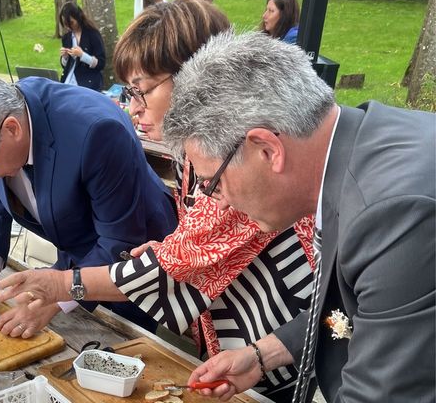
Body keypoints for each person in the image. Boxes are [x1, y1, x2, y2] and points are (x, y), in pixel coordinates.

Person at [0, 0, 317, 402]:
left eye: (141, 90)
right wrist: (170, 249)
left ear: (195, 76)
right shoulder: (194, 153)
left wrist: (64, 282)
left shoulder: (239, 159)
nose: (133, 108)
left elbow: (181, 262)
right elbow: (193, 248)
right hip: (241, 345)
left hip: (283, 346)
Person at [156, 31, 435, 402]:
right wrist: (261, 356)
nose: (218, 204)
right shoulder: (355, 144)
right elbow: (356, 310)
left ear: (268, 149)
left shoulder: (392, 215)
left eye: (214, 183)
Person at [0, 67, 177, 336]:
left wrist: (58, 296)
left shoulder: (97, 132)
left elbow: (120, 242)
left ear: (12, 129)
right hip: (76, 258)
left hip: (143, 268)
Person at [59, 2, 106, 91]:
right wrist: (64, 57)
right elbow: (66, 66)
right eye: (65, 24)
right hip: (69, 79)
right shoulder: (67, 37)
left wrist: (82, 55)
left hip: (87, 81)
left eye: (71, 23)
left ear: (78, 17)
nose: (68, 27)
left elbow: (101, 63)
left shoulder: (92, 34)